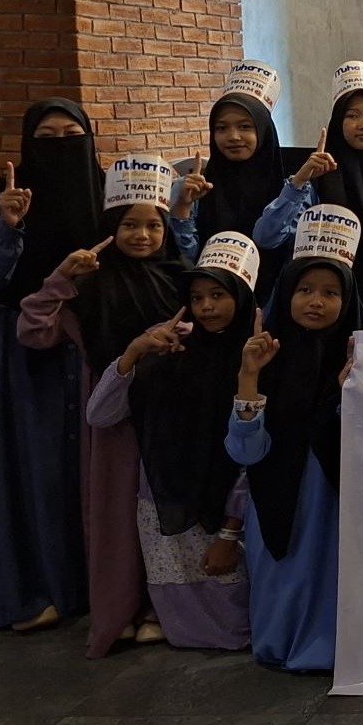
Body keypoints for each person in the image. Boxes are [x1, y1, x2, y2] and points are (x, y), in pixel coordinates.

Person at [19, 156, 188, 656]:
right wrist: (61, 278)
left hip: (170, 411)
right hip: (113, 416)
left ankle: (164, 608)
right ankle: (123, 610)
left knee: (166, 511)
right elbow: (32, 329)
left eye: (153, 225)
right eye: (129, 225)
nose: (141, 235)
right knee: (117, 516)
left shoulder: (179, 276)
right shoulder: (89, 285)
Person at [0, 98, 104, 632]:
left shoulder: (103, 187)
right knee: (35, 465)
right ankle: (36, 590)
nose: (63, 146)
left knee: (93, 464)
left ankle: (98, 583)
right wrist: (9, 225)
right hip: (24, 349)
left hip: (91, 342)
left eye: (73, 135)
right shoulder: (2, 198)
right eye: (47, 138)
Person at [83, 233, 262, 651]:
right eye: (197, 297)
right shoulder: (170, 349)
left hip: (226, 509)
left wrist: (229, 532)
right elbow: (100, 414)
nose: (206, 308)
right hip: (163, 505)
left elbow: (251, 458)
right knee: (182, 620)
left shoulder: (257, 356)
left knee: (232, 619)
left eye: (218, 294)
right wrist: (134, 353)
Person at [230, 206, 363, 673]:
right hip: (279, 494)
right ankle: (282, 643)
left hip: (335, 497)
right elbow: (245, 450)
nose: (316, 302)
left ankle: (332, 647)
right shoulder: (265, 358)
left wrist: (353, 393)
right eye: (305, 290)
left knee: (332, 573)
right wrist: (250, 380)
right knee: (283, 574)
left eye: (331, 293)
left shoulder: (359, 359)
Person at [253, 61, 363, 328]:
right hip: (322, 312)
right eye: (352, 115)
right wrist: (300, 181)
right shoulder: (315, 182)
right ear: (337, 122)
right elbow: (266, 237)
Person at [189, 61, 288, 299]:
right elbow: (187, 256)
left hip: (277, 303)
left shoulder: (290, 190)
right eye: (222, 128)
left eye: (245, 127)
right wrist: (182, 206)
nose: (233, 137)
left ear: (264, 132)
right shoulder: (198, 188)